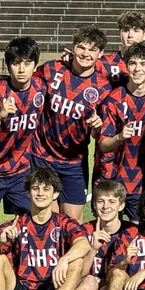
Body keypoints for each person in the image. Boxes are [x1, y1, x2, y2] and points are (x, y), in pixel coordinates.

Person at [31, 25, 111, 221]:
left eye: (92, 49)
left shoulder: (104, 87)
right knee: (47, 219)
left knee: (73, 223)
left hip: (73, 163)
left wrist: (97, 126)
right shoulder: (51, 70)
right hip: (42, 156)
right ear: (73, 48)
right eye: (81, 47)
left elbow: (97, 135)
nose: (85, 53)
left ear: (100, 53)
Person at [0, 36, 42, 217]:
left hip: (20, 172)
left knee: (33, 219)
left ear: (35, 66)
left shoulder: (41, 88)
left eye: (27, 63)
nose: (21, 69)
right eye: (16, 63)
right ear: (8, 65)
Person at [97, 42, 145, 221]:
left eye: (143, 64)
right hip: (113, 180)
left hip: (144, 181)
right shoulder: (114, 99)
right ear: (126, 66)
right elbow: (103, 145)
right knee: (106, 236)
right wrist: (119, 137)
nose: (137, 69)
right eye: (133, 63)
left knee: (138, 236)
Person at [63, 180, 127, 290]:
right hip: (86, 289)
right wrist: (93, 249)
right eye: (100, 201)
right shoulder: (84, 230)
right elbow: (80, 273)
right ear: (94, 205)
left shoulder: (131, 232)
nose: (106, 207)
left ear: (121, 206)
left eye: (112, 201)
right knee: (91, 280)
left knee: (107, 284)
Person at [97, 11, 145, 84]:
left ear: (144, 35)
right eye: (126, 30)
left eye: (136, 31)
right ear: (120, 33)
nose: (130, 35)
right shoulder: (103, 62)